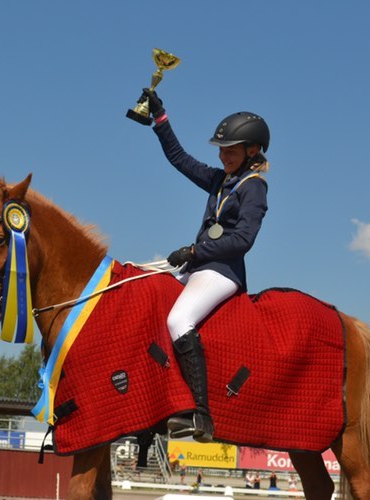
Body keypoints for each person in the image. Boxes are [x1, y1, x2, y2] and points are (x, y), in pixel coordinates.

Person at [140, 89, 270, 443]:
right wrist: (160, 118)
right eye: (221, 149)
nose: (222, 155)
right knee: (143, 286)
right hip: (199, 265)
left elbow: (244, 240)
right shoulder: (219, 180)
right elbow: (180, 159)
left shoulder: (254, 187)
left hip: (222, 271)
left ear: (252, 151)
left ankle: (200, 416)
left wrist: (196, 252)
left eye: (230, 149)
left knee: (177, 319)